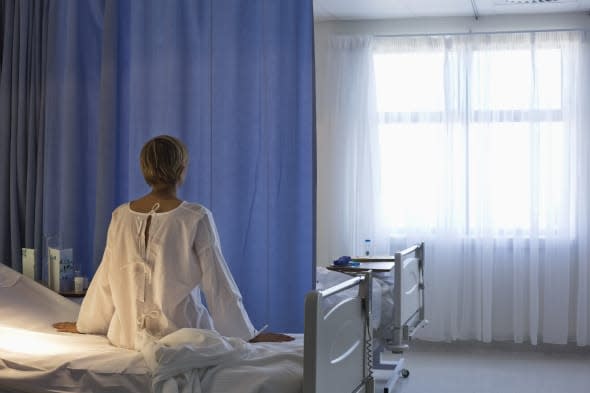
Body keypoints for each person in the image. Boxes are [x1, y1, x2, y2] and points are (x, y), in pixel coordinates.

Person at [54, 135, 292, 349]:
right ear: (182, 169)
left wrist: (88, 323)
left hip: (127, 339)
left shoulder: (120, 216)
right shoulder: (195, 217)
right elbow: (217, 282)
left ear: (144, 168)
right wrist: (245, 335)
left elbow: (106, 277)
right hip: (182, 339)